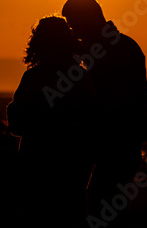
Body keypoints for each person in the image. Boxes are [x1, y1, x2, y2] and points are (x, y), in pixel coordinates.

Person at [62, 0, 147, 225]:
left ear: (90, 18)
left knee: (102, 205)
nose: (74, 32)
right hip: (118, 143)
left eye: (74, 24)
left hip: (119, 143)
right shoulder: (118, 46)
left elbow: (112, 99)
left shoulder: (117, 50)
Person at [6, 15, 95, 227]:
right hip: (71, 168)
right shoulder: (80, 78)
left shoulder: (33, 78)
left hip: (38, 167)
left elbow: (16, 124)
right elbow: (92, 124)